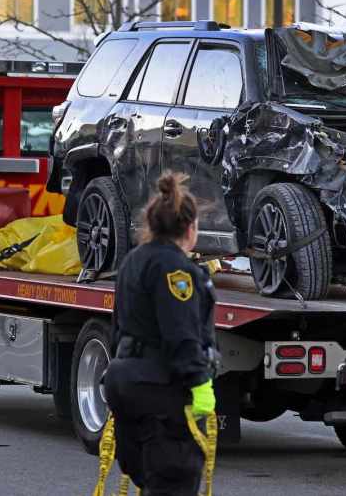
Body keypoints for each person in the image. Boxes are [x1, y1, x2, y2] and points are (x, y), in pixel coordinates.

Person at [103, 171, 218, 495]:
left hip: (126, 380)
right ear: (190, 227)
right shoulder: (175, 269)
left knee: (154, 479)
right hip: (157, 385)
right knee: (174, 478)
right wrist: (199, 384)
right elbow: (180, 333)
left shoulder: (133, 261)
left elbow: (119, 326)